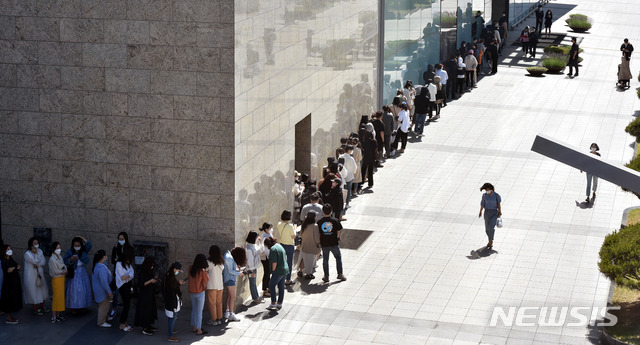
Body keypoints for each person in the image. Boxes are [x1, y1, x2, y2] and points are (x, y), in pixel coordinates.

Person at [317, 204, 347, 283]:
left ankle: (326, 276)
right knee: (338, 257)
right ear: (331, 211)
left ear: (323, 211)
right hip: (334, 243)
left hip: (324, 243)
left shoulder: (319, 222)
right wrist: (337, 237)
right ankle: (340, 273)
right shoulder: (335, 220)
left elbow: (318, 233)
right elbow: (339, 230)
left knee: (325, 259)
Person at [64, 236, 92, 314]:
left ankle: (82, 306)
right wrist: (70, 259)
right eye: (75, 246)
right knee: (74, 291)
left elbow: (89, 244)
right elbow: (65, 260)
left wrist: (82, 238)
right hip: (74, 271)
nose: (77, 247)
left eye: (78, 245)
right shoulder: (70, 251)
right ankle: (74, 307)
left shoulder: (84, 251)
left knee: (83, 290)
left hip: (82, 271)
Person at [110, 231, 134, 319]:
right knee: (115, 292)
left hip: (126, 273)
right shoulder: (116, 249)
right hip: (118, 273)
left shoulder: (130, 249)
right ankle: (114, 308)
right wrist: (118, 261)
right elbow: (113, 260)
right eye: (119, 239)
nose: (120, 241)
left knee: (126, 295)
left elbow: (130, 262)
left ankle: (125, 312)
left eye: (122, 239)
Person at [23, 237, 48, 316]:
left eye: (37, 243)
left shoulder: (40, 251)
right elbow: (34, 261)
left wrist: (38, 264)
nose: (36, 245)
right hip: (31, 275)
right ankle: (36, 308)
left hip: (40, 274)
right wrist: (38, 262)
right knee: (34, 291)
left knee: (42, 290)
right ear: (31, 244)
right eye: (34, 243)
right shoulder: (27, 254)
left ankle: (42, 306)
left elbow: (43, 262)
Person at [135, 256, 158, 336]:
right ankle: (145, 328)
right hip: (144, 296)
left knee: (150, 311)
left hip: (150, 295)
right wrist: (150, 281)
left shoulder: (149, 271)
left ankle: (149, 325)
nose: (152, 266)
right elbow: (141, 284)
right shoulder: (142, 272)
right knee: (145, 312)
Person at [222, 247, 246, 322]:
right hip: (230, 278)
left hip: (229, 278)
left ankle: (227, 311)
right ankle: (231, 314)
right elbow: (230, 271)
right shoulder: (229, 258)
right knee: (233, 296)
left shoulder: (229, 256)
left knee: (230, 296)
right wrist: (239, 273)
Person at [164, 262, 185, 342]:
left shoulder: (168, 275)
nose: (178, 272)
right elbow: (172, 290)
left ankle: (171, 329)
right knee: (172, 317)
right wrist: (178, 284)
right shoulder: (170, 277)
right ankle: (170, 335)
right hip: (172, 301)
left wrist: (177, 284)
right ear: (174, 269)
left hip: (169, 301)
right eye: (178, 271)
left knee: (171, 317)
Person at [264, 237, 288, 311]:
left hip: (278, 271)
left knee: (271, 285)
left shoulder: (273, 249)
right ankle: (279, 303)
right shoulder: (279, 246)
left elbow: (274, 262)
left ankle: (273, 303)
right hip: (284, 269)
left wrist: (273, 271)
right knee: (281, 287)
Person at [0, 244, 22, 324]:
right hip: (8, 284)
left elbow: (16, 265)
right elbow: (8, 270)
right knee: (9, 300)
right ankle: (8, 318)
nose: (10, 250)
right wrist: (13, 268)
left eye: (10, 248)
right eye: (8, 249)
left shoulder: (11, 259)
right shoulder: (3, 260)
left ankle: (11, 316)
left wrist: (18, 266)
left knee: (13, 299)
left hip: (14, 282)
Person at [91, 249, 113, 328]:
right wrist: (109, 292)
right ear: (103, 257)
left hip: (98, 289)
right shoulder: (102, 268)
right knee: (103, 307)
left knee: (104, 306)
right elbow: (104, 282)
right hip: (102, 291)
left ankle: (105, 318)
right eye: (105, 255)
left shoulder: (97, 265)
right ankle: (101, 322)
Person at [188, 253, 209, 335]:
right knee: (199, 312)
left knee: (194, 310)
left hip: (192, 292)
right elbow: (207, 280)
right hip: (200, 292)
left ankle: (194, 327)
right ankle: (199, 329)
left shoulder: (190, 268)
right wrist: (206, 272)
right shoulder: (202, 271)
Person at [115, 248, 134, 332]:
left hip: (127, 285)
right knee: (126, 305)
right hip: (122, 286)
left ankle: (124, 321)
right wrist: (128, 276)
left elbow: (132, 273)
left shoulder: (128, 264)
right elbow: (122, 278)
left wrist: (128, 276)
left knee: (127, 305)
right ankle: (122, 323)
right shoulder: (119, 264)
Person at [274, 210, 296, 284]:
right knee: (289, 263)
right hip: (290, 245)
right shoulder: (290, 226)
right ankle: (288, 279)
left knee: (282, 263)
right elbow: (293, 236)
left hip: (282, 244)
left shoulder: (279, 224)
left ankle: (280, 278)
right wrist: (295, 229)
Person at [298, 211, 321, 279]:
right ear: (314, 217)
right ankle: (309, 274)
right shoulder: (315, 226)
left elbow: (301, 234)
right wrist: (319, 244)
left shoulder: (304, 224)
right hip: (312, 246)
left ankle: (300, 271)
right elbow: (316, 238)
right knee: (310, 260)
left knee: (303, 259)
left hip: (304, 245)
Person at [478, 183, 502, 249]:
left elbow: (498, 204)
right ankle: (490, 239)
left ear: (491, 189)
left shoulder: (496, 195)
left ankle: (491, 241)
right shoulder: (485, 195)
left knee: (491, 227)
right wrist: (480, 211)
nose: (487, 191)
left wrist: (500, 211)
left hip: (494, 212)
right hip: (487, 212)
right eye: (486, 190)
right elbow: (482, 204)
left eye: (488, 189)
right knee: (487, 229)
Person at [206, 245, 225, 326]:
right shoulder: (221, 262)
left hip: (211, 285)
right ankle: (219, 319)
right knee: (219, 302)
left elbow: (206, 270)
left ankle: (214, 320)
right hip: (220, 285)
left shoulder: (209, 262)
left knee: (212, 303)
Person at [48, 241, 67, 323]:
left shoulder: (59, 256)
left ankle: (58, 315)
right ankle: (54, 316)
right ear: (53, 249)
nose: (59, 249)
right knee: (56, 298)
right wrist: (62, 271)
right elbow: (55, 271)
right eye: (57, 248)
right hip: (56, 279)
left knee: (60, 298)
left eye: (59, 248)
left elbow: (63, 265)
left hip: (61, 278)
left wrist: (65, 270)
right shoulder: (52, 259)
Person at [245, 231, 263, 303]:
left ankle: (256, 297)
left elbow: (261, 250)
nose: (257, 238)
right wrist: (252, 270)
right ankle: (255, 298)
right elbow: (250, 260)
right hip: (251, 269)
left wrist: (260, 242)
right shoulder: (249, 248)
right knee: (252, 283)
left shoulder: (254, 245)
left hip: (254, 267)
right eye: (256, 237)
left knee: (254, 282)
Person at [259, 222, 274, 298]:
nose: (271, 229)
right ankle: (265, 290)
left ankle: (267, 288)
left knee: (268, 273)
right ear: (266, 229)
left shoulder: (268, 234)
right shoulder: (265, 237)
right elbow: (265, 249)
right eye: (270, 228)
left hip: (268, 257)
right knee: (267, 273)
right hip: (266, 257)